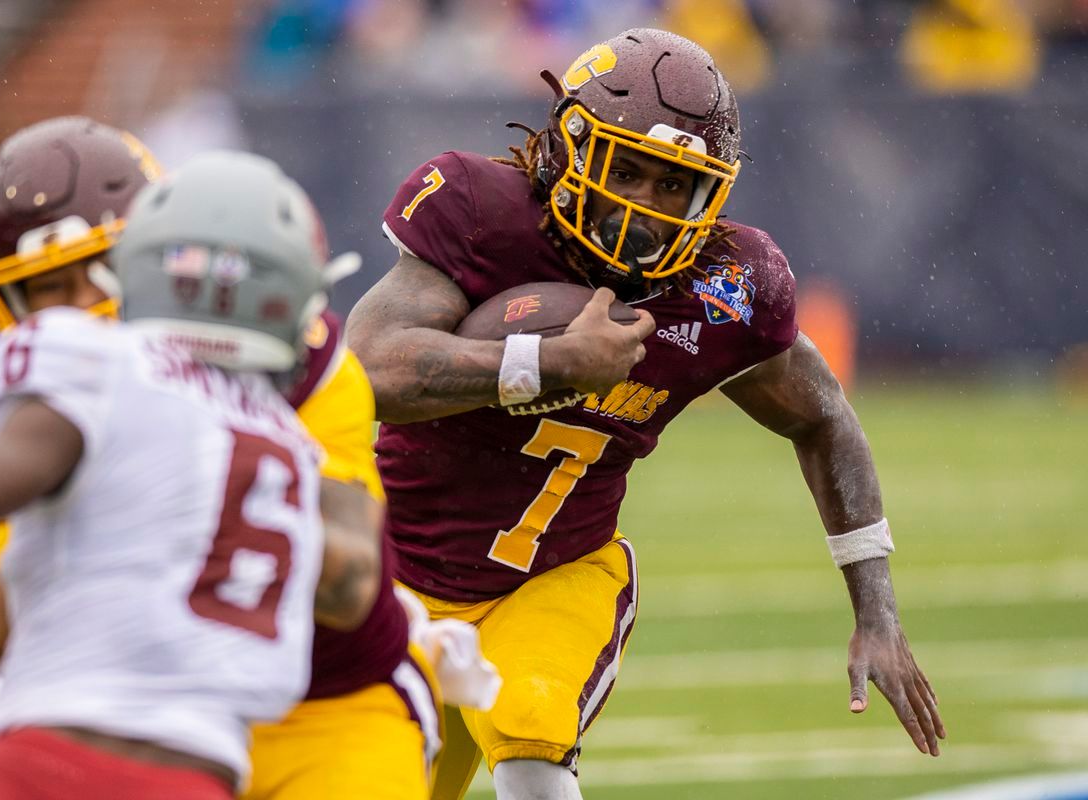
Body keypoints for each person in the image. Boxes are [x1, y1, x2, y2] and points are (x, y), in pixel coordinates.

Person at [348, 27, 945, 800]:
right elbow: (369, 366)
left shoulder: (725, 285)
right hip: (391, 574)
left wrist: (877, 612)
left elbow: (822, 417)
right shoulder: (481, 212)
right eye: (625, 171)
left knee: (531, 730)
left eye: (674, 185)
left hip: (555, 578)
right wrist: (545, 367)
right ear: (569, 149)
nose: (645, 206)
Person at [0, 118, 451, 800]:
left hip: (328, 703)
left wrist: (166, 498)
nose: (75, 312)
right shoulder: (38, 366)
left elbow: (348, 587)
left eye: (95, 276)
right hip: (161, 735)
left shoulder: (295, 361)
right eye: (41, 289)